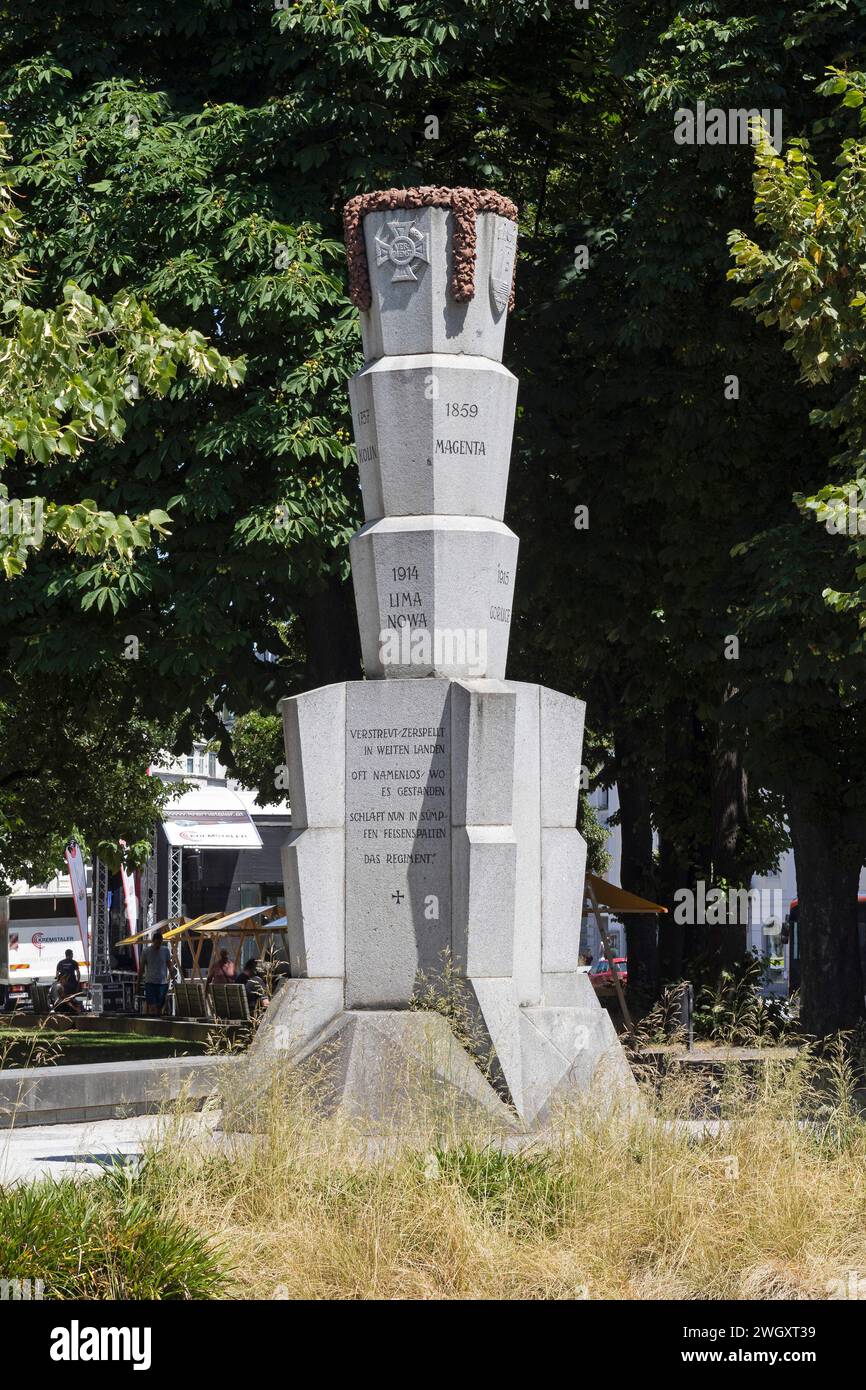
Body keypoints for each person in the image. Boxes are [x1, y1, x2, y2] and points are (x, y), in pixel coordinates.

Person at [138, 930, 173, 1016]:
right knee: (152, 1006)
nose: (158, 945)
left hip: (162, 983)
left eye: (160, 943)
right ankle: (152, 1023)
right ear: (153, 941)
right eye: (156, 943)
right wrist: (138, 982)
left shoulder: (165, 951)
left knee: (159, 1007)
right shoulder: (146, 951)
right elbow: (141, 968)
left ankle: (158, 1025)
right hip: (150, 982)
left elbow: (169, 965)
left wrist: (173, 978)